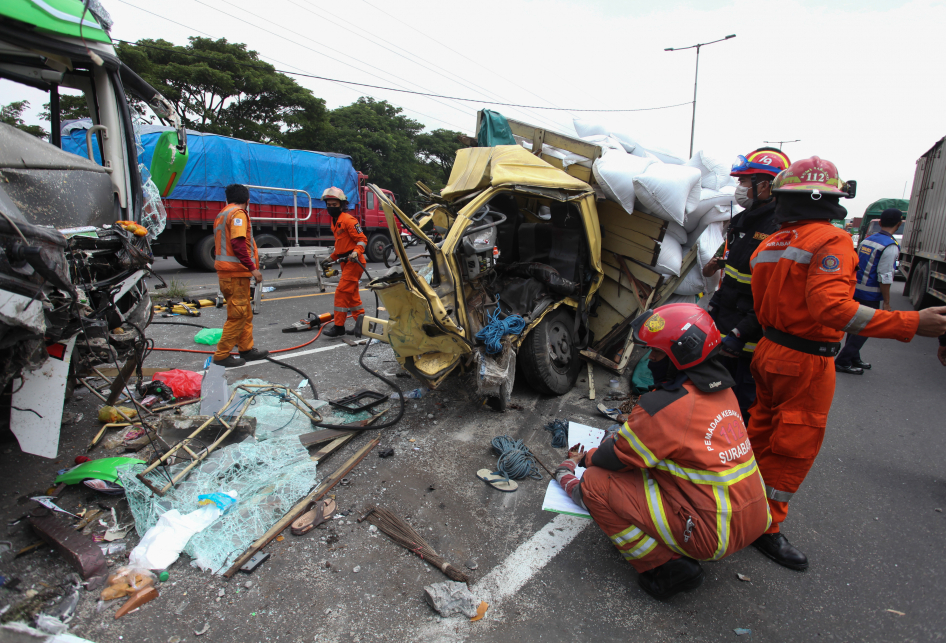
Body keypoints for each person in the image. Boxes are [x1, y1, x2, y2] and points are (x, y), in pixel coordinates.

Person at [746, 157, 946, 571]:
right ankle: (765, 528)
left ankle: (741, 506)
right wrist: (911, 323)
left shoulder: (773, 242)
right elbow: (832, 309)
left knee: (760, 434)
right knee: (793, 447)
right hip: (805, 360)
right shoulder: (831, 240)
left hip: (770, 351)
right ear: (830, 198)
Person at [555, 304, 771, 600]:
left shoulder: (665, 406)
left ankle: (664, 567)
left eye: (656, 354)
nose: (650, 360)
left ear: (679, 357)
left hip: (714, 535)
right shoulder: (723, 391)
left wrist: (582, 460)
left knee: (595, 483)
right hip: (753, 517)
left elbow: (615, 457)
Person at [704, 147, 791, 421]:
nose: (739, 188)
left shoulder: (779, 230)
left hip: (751, 338)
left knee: (743, 406)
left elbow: (772, 295)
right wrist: (713, 308)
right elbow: (731, 274)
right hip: (727, 325)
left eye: (743, 181)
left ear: (765, 185)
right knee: (718, 400)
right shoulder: (741, 222)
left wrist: (740, 333)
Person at [834, 208, 904, 374]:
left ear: (880, 222)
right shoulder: (890, 245)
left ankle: (854, 357)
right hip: (871, 293)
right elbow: (885, 276)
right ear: (899, 224)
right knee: (865, 328)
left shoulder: (868, 240)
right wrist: (887, 302)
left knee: (856, 325)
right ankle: (843, 360)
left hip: (856, 289)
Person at [212, 184, 268, 368]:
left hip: (231, 273)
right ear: (247, 200)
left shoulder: (222, 214)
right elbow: (238, 244)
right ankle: (222, 355)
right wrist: (253, 269)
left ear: (227, 198)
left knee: (245, 313)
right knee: (237, 315)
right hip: (234, 273)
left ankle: (246, 349)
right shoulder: (238, 214)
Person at [320, 187, 367, 338]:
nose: (331, 207)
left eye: (334, 205)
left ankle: (339, 326)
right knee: (352, 296)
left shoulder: (348, 220)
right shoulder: (335, 222)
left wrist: (356, 252)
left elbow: (362, 239)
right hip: (346, 263)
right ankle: (363, 326)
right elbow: (341, 246)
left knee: (341, 293)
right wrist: (331, 258)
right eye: (329, 205)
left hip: (354, 262)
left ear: (341, 205)